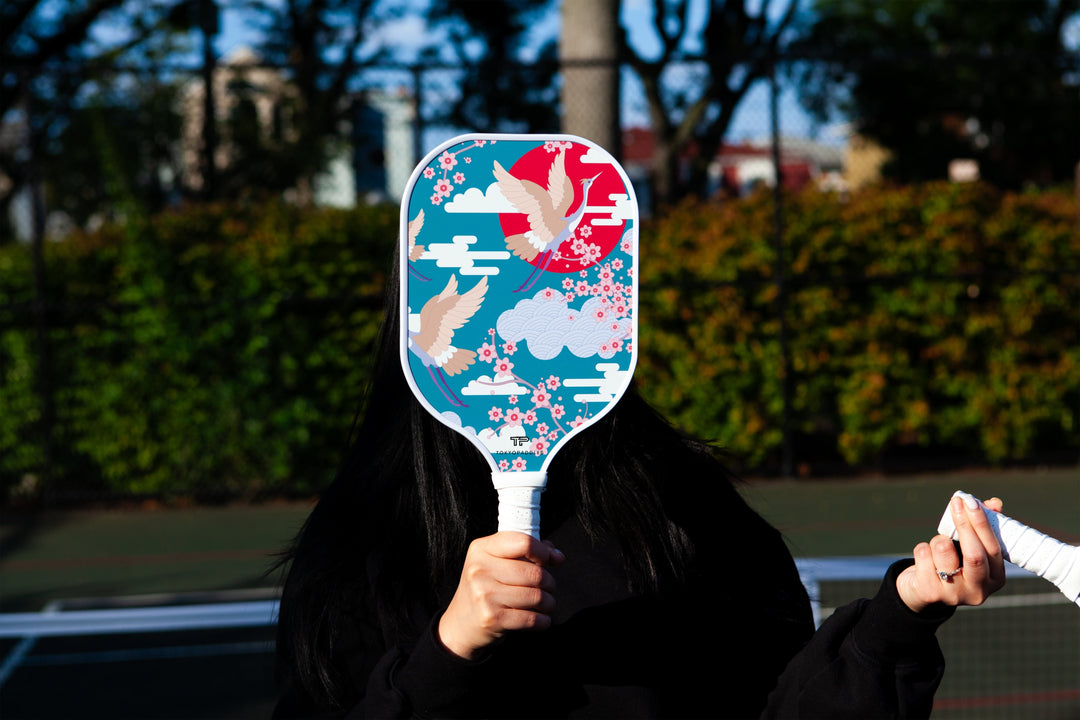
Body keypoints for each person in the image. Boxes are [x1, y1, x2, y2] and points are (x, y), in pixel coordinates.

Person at [272, 262, 1006, 719]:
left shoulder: (683, 515)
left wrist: (900, 617)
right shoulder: (360, 545)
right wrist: (450, 649)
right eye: (473, 297)